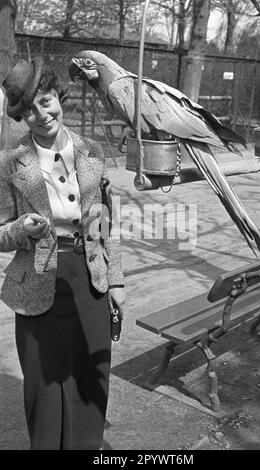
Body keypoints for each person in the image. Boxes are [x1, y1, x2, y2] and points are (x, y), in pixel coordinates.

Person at [0, 57, 125, 450]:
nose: (41, 115)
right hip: (38, 282)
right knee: (44, 387)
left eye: (47, 102)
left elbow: (103, 222)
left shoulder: (92, 151)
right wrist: (21, 229)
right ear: (21, 117)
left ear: (59, 98)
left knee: (91, 376)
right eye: (29, 111)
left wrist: (116, 279)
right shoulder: (10, 164)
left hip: (90, 279)